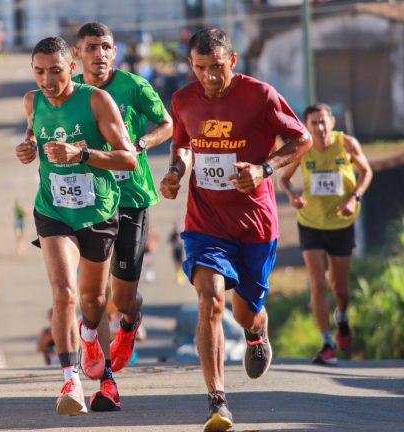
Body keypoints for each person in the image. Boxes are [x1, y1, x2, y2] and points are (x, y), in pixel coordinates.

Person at [159, 29, 312, 432]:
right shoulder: (182, 100)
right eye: (200, 68)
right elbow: (182, 145)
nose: (208, 76)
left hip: (255, 225)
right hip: (206, 223)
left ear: (234, 60)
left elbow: (301, 138)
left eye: (216, 67)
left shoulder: (260, 96)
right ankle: (217, 401)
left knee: (244, 312)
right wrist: (176, 171)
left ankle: (257, 331)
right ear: (191, 65)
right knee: (209, 301)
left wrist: (263, 169)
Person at [15, 36, 137, 416]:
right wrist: (28, 148)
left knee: (94, 301)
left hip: (97, 211)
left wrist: (81, 154)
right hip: (53, 209)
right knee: (64, 293)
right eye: (39, 72)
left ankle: (89, 335)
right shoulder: (32, 101)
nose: (47, 80)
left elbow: (128, 159)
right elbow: (35, 134)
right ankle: (70, 379)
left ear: (72, 67)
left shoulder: (96, 100)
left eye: (55, 71)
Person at [71, 22, 173, 412]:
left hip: (131, 197)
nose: (100, 53)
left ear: (114, 52)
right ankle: (107, 383)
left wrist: (143, 142)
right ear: (78, 54)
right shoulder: (71, 93)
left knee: (123, 299)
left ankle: (130, 323)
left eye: (106, 47)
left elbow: (168, 124)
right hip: (90, 202)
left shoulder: (133, 85)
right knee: (93, 297)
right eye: (92, 47)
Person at [279, 103, 372, 366]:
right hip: (310, 223)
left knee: (339, 289)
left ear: (332, 122)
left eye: (323, 122)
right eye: (313, 123)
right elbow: (284, 179)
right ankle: (327, 342)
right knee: (318, 283)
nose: (319, 128)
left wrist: (354, 198)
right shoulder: (303, 148)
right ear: (306, 126)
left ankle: (341, 317)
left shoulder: (347, 144)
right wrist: (292, 196)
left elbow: (367, 172)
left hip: (342, 223)